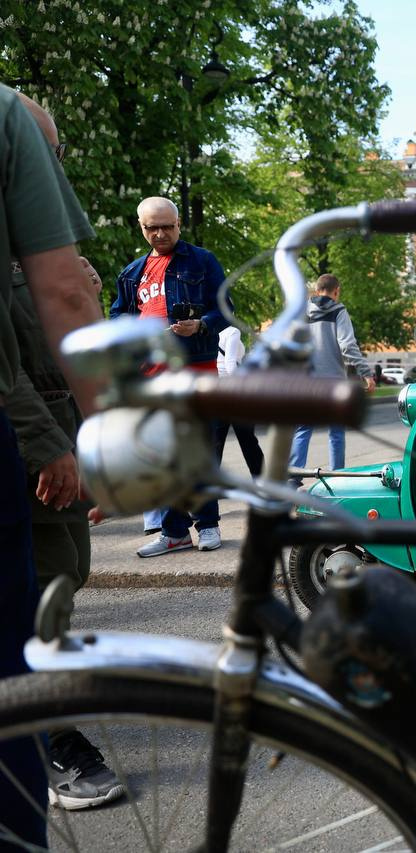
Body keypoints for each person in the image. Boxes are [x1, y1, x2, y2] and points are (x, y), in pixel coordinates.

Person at [8, 93, 125, 813]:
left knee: (62, 580)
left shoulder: (43, 247)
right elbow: (7, 367)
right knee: (31, 608)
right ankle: (51, 743)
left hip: (62, 450)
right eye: (43, 153)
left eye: (55, 154)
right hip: (33, 452)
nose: (53, 167)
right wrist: (54, 445)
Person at [110, 197, 232, 557]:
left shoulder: (202, 261)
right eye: (152, 227)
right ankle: (174, 532)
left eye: (167, 226)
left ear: (179, 225)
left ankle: (208, 524)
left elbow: (224, 309)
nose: (160, 233)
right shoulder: (132, 273)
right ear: (142, 228)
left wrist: (201, 325)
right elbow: (118, 316)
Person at [289, 274, 375, 478]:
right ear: (336, 291)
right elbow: (347, 345)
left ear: (317, 290)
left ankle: (294, 478)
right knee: (336, 432)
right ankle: (338, 477)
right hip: (334, 382)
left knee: (302, 429)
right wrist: (366, 374)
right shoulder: (339, 310)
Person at [212, 325, 264, 477]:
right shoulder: (232, 331)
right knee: (248, 440)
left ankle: (211, 483)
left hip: (216, 391)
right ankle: (261, 479)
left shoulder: (209, 330)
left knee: (216, 442)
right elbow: (230, 365)